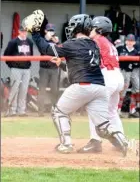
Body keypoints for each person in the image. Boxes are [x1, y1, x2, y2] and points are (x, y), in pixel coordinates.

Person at [30, 13, 128, 155]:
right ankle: (123, 140)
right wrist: (63, 65)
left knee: (59, 112)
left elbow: (47, 49)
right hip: (100, 87)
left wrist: (35, 33)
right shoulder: (94, 44)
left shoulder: (74, 43)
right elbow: (81, 63)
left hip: (83, 85)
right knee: (102, 126)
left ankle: (66, 144)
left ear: (78, 27)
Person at [68, 16, 125, 154]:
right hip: (117, 77)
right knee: (111, 111)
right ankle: (122, 141)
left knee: (94, 108)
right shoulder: (108, 42)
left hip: (107, 76)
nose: (89, 31)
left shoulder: (97, 41)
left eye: (92, 28)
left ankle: (95, 142)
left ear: (99, 30)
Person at [4, 25, 33, 116]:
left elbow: (31, 55)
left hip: (26, 69)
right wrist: (12, 66)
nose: (24, 33)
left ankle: (21, 110)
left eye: (26, 31)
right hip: (16, 69)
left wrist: (28, 64)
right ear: (19, 31)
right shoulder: (13, 42)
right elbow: (6, 55)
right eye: (23, 31)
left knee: (24, 90)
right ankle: (12, 110)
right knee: (14, 89)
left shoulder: (29, 42)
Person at [38, 23, 61, 116]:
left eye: (52, 30)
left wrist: (58, 43)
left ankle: (54, 110)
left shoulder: (56, 40)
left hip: (54, 68)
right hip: (44, 68)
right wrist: (46, 40)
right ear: (45, 31)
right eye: (49, 30)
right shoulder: (42, 40)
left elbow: (61, 52)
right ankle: (40, 111)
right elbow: (41, 49)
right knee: (42, 89)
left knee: (54, 90)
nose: (51, 32)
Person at [117, 34, 138, 116]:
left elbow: (136, 64)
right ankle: (114, 109)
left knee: (124, 92)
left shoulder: (135, 52)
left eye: (131, 41)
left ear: (134, 42)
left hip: (128, 73)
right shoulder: (120, 48)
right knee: (117, 90)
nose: (130, 42)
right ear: (125, 41)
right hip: (119, 71)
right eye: (128, 41)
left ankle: (118, 109)